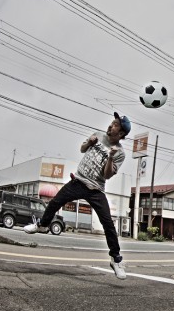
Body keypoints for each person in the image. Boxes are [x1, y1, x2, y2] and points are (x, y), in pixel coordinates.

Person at [23, 112, 130, 280]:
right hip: (78, 181)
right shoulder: (98, 135)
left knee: (108, 223)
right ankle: (42, 225)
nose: (111, 125)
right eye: (112, 122)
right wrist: (89, 142)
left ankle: (115, 260)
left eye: (115, 125)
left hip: (96, 189)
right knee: (55, 202)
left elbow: (107, 175)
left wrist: (110, 157)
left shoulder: (120, 153)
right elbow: (82, 149)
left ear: (121, 133)